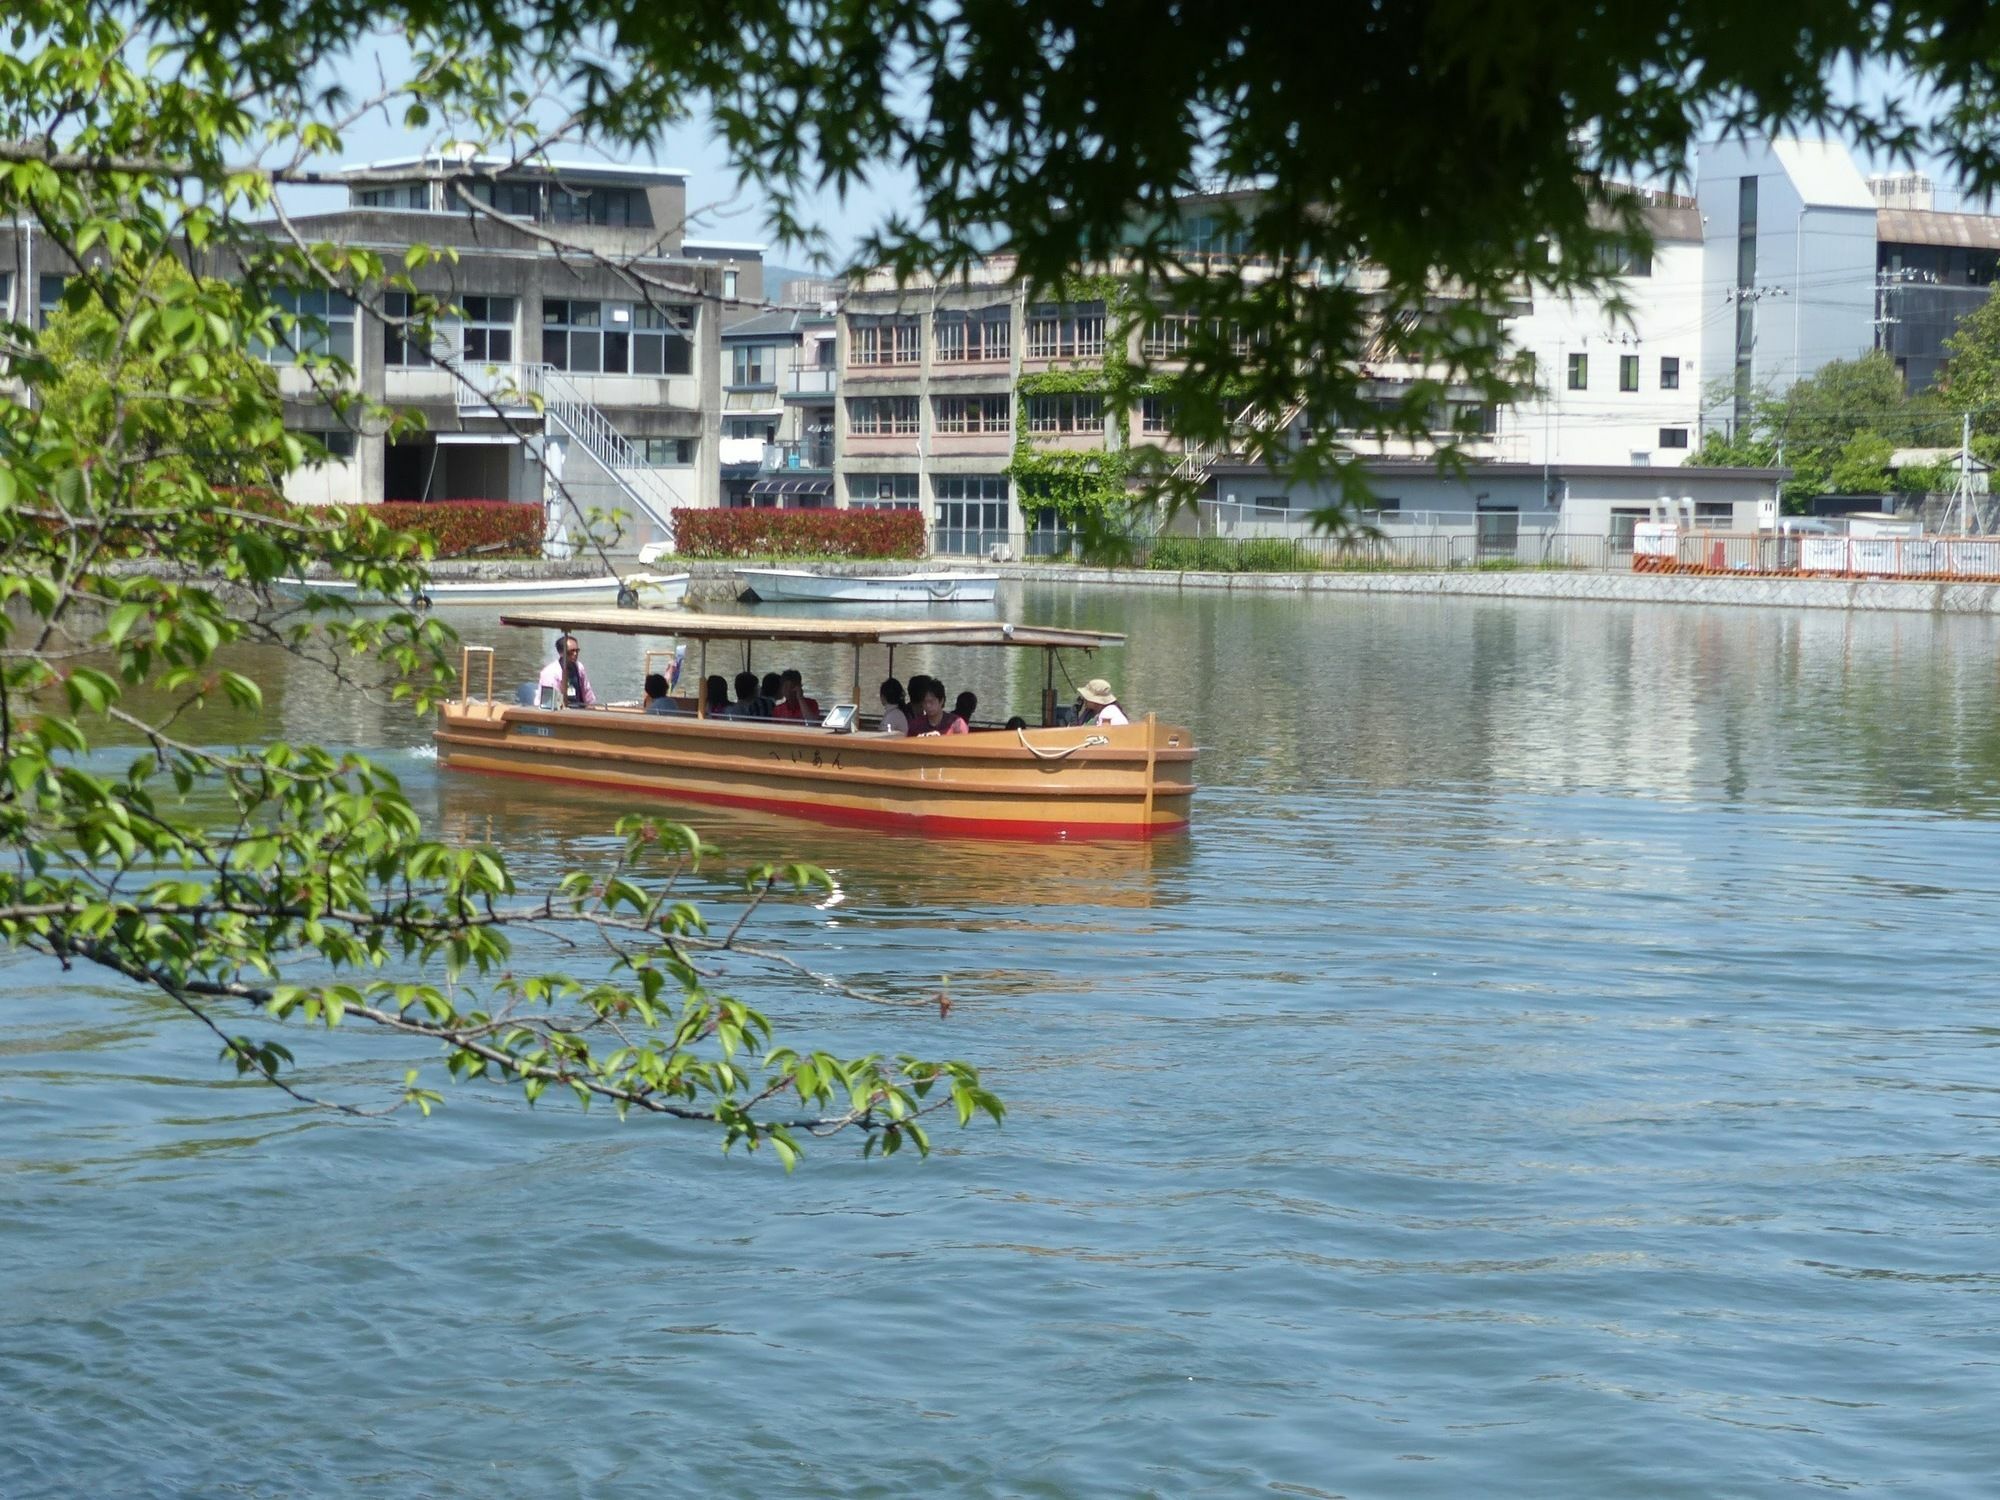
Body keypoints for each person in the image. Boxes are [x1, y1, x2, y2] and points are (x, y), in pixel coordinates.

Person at [537, 633, 596, 708]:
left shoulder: (579, 667)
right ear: (561, 653)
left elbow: (587, 693)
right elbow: (550, 704)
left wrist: (591, 707)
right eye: (571, 651)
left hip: (580, 712)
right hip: (560, 713)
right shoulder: (550, 673)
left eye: (577, 651)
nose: (575, 654)